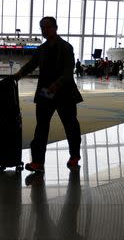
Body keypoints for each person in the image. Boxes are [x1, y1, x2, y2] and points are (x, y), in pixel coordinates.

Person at [13, 17, 82, 175]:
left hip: (65, 93)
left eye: (47, 27)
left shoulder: (66, 48)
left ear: (56, 27)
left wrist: (57, 84)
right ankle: (37, 161)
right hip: (46, 94)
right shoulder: (42, 49)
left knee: (71, 125)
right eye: (42, 28)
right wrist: (19, 74)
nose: (44, 30)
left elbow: (68, 71)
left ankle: (75, 155)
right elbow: (31, 64)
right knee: (41, 128)